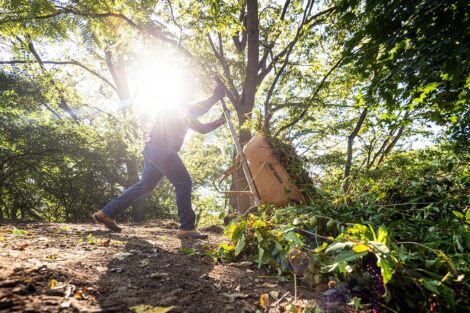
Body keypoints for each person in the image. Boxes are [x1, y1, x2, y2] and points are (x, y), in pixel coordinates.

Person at [93, 84, 226, 239]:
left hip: (153, 150)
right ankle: (187, 228)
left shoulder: (186, 115)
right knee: (183, 183)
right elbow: (195, 109)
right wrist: (214, 98)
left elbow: (202, 128)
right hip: (162, 150)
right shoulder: (172, 107)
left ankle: (106, 213)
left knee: (145, 186)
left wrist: (220, 121)